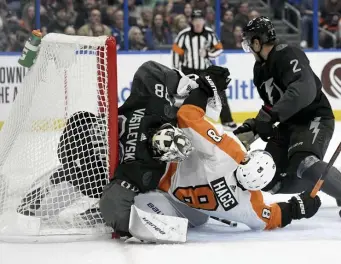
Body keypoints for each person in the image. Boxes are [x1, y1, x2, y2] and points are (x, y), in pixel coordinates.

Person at [99, 66, 321, 242]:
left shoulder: (228, 153)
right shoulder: (249, 203)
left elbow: (188, 116)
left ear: (247, 158)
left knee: (153, 73)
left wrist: (204, 87)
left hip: (164, 181)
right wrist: (297, 208)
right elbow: (269, 217)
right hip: (187, 208)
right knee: (140, 207)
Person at [234, 16, 341, 205]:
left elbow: (304, 88)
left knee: (304, 161)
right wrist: (254, 127)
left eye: (249, 42)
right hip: (288, 124)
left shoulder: (288, 54)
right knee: (267, 178)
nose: (248, 47)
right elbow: (272, 105)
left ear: (257, 42)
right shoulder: (259, 70)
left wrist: (271, 116)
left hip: (313, 118)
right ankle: (313, 180)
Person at [171, 9, 237, 131]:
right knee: (182, 95)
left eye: (200, 20)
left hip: (204, 70)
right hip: (188, 70)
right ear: (191, 21)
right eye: (195, 20)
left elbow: (219, 49)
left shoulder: (209, 34)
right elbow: (176, 53)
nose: (198, 23)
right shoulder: (183, 35)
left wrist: (208, 54)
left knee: (218, 92)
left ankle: (227, 121)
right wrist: (177, 71)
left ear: (203, 21)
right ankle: (176, 121)